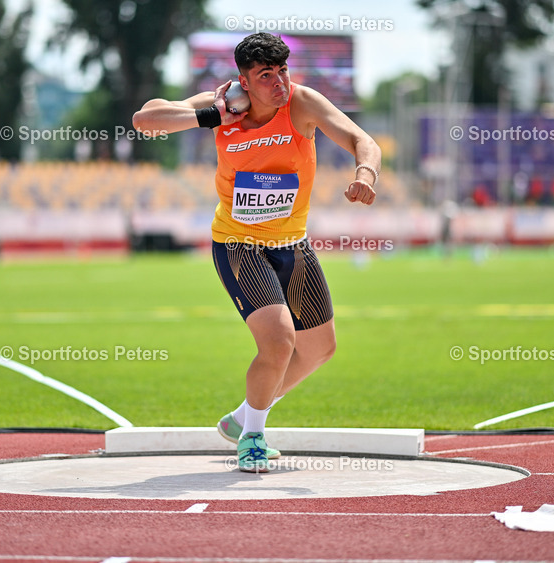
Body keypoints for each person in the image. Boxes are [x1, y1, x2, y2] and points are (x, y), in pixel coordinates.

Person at [133, 32, 381, 472]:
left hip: (292, 243)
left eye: (283, 70)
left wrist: (366, 172)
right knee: (280, 341)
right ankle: (253, 436)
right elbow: (145, 119)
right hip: (239, 243)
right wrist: (214, 115)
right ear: (244, 81)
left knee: (319, 349)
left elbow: (365, 141)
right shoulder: (223, 103)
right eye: (266, 75)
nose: (279, 82)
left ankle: (243, 417)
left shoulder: (301, 103)